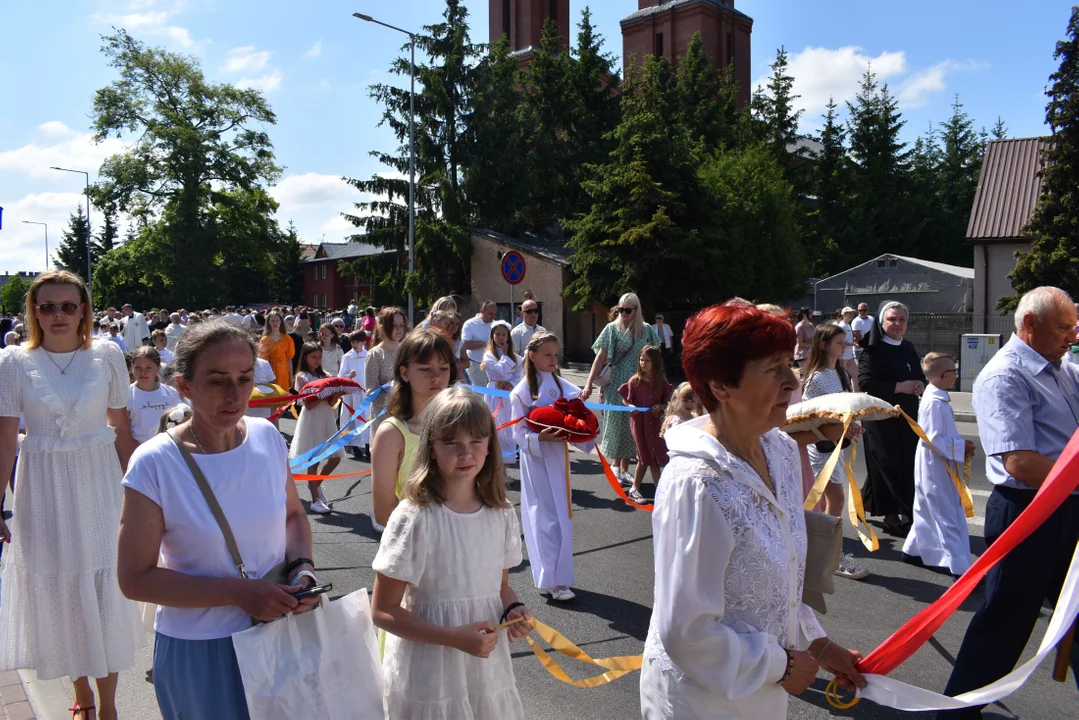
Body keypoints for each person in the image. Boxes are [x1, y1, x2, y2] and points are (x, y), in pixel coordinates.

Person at [640, 303, 865, 719]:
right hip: (702, 701)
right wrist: (783, 664)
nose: (792, 379)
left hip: (760, 691)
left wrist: (819, 645)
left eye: (789, 363)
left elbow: (779, 582)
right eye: (772, 367)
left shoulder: (777, 449)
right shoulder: (697, 483)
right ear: (721, 386)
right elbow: (687, 633)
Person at [116, 321, 320, 720]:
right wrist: (239, 593)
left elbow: (293, 516)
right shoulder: (156, 463)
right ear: (185, 386)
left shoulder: (266, 437)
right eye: (217, 381)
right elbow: (135, 578)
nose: (235, 394)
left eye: (245, 379)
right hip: (202, 649)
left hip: (279, 637)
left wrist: (304, 572)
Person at [0, 270, 144, 720]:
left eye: (67, 305)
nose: (58, 315)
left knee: (103, 590)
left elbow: (122, 430)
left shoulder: (107, 355)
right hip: (42, 489)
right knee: (60, 591)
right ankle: (81, 696)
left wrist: (146, 492)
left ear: (83, 310)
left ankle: (108, 706)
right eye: (47, 306)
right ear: (33, 311)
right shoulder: (11, 363)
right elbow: (5, 439)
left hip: (100, 484)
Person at [937, 287, 1079, 718]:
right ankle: (957, 711)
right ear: (1030, 325)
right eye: (1063, 327)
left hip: (1069, 506)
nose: (1072, 335)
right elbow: (1019, 462)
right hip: (1028, 511)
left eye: (1074, 326)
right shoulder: (1005, 375)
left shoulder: (1064, 369)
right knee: (1006, 623)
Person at [371, 387, 530, 719]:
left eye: (476, 442)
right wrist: (452, 637)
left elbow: (499, 587)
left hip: (485, 667)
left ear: (490, 447)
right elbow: (383, 610)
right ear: (431, 447)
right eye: (452, 442)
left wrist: (512, 608)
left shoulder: (499, 513)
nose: (465, 453)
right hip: (429, 672)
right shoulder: (414, 517)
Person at [511, 332, 594, 602]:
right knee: (545, 517)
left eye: (556, 355)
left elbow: (578, 413)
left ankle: (559, 577)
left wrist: (580, 429)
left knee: (563, 516)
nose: (553, 359)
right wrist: (539, 438)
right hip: (537, 460)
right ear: (532, 356)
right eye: (548, 355)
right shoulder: (522, 392)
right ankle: (552, 579)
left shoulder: (563, 386)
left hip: (558, 457)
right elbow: (518, 433)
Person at [800, 324, 869, 580]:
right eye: (839, 342)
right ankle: (832, 557)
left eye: (845, 342)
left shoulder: (837, 371)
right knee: (835, 500)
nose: (844, 346)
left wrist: (851, 427)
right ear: (823, 344)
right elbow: (811, 415)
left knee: (832, 501)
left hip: (835, 444)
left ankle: (826, 553)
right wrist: (841, 428)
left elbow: (840, 408)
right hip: (821, 447)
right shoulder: (817, 377)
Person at [370, 330, 454, 533]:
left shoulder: (462, 424)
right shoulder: (392, 433)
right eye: (425, 368)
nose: (436, 377)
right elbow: (383, 511)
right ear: (405, 373)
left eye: (444, 368)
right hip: (416, 548)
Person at [901, 352, 974, 578]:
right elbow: (932, 438)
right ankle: (961, 568)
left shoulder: (937, 397)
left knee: (926, 506)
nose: (956, 375)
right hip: (936, 464)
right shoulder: (934, 403)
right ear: (944, 375)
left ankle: (912, 550)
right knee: (946, 512)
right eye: (954, 371)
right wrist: (961, 447)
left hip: (934, 462)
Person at [859, 301, 926, 536]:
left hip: (906, 415)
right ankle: (891, 516)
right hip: (880, 417)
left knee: (905, 463)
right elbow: (866, 383)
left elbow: (918, 374)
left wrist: (919, 385)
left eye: (902, 320)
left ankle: (862, 501)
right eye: (892, 319)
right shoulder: (873, 349)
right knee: (886, 464)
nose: (897, 324)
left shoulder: (907, 347)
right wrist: (900, 386)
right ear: (881, 322)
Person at [582, 293, 660, 484]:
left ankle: (625, 468)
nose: (623, 313)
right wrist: (589, 382)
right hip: (617, 384)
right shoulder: (612, 329)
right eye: (621, 309)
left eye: (628, 309)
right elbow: (600, 357)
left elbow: (656, 356)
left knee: (633, 425)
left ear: (636, 310)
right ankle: (616, 466)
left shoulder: (647, 330)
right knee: (617, 424)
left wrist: (657, 380)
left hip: (640, 384)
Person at [290, 343, 341, 515]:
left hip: (326, 418)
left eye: (319, 357)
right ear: (305, 357)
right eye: (313, 357)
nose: (317, 360)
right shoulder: (302, 377)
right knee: (315, 459)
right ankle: (315, 500)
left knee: (335, 457)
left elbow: (332, 403)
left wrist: (337, 394)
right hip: (311, 419)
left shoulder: (325, 375)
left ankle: (315, 484)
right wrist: (322, 396)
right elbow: (308, 405)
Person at [618, 345, 672, 503]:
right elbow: (625, 398)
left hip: (655, 423)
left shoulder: (661, 381)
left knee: (653, 454)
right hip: (639, 423)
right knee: (644, 455)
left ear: (655, 362)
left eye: (647, 360)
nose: (643, 363)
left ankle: (658, 489)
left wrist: (661, 407)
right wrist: (630, 406)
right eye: (641, 359)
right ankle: (637, 488)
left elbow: (667, 401)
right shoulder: (635, 380)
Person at [365, 306, 408, 437]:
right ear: (382, 327)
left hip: (405, 412)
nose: (399, 329)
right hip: (383, 415)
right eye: (394, 325)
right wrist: (394, 400)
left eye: (402, 325)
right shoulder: (376, 354)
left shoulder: (407, 351)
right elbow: (371, 389)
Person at [482, 321, 523, 456]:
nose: (501, 338)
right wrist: (505, 356)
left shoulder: (515, 357)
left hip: (508, 393)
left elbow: (519, 374)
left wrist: (511, 383)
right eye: (498, 334)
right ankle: (494, 453)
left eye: (504, 335)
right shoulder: (489, 356)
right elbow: (500, 372)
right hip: (494, 392)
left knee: (509, 421)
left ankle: (509, 453)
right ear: (492, 337)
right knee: (496, 421)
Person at [128, 347, 183, 445]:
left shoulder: (170, 393)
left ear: (158, 367)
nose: (143, 372)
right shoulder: (127, 394)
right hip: (138, 449)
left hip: (167, 448)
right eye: (138, 368)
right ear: (132, 367)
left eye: (148, 368)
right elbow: (123, 430)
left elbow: (180, 422)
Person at [338, 329, 369, 461]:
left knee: (366, 417)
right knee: (352, 418)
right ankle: (354, 445)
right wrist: (349, 376)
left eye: (357, 342)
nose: (355, 344)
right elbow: (340, 376)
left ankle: (368, 445)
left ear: (363, 342)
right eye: (353, 342)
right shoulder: (347, 357)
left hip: (365, 392)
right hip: (352, 393)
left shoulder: (368, 355)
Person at [258, 310, 294, 397]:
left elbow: (289, 358)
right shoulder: (265, 340)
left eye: (277, 320)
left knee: (283, 396)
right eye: (272, 321)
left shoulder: (287, 338)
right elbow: (262, 361)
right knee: (272, 396)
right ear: (268, 322)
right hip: (270, 370)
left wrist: (291, 376)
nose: (275, 323)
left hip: (283, 371)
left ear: (281, 322)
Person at [461, 300, 497, 387]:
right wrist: (485, 344)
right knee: (479, 393)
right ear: (482, 311)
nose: (493, 316)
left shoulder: (495, 324)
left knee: (493, 394)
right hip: (475, 365)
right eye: (490, 313)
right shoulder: (470, 324)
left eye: (494, 314)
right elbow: (465, 345)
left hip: (493, 365)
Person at [837, 307, 859, 391]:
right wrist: (854, 344)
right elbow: (842, 342)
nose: (851, 315)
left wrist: (854, 342)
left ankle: (856, 393)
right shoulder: (841, 326)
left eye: (851, 313)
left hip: (849, 355)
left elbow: (848, 340)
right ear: (844, 314)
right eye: (848, 313)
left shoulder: (848, 325)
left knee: (856, 375)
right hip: (843, 355)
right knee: (842, 376)